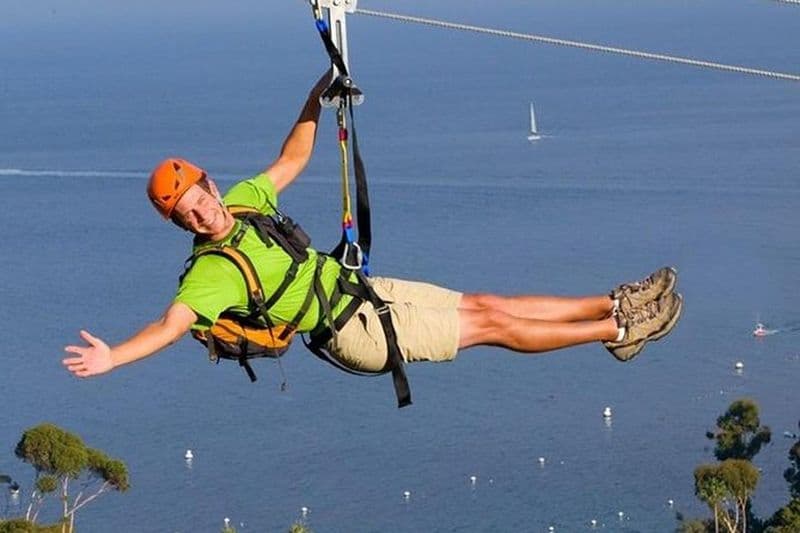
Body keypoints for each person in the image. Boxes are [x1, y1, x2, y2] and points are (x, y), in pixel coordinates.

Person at [62, 70, 683, 390]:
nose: (201, 215)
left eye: (199, 200)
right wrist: (114, 355)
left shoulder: (245, 199)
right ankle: (618, 331)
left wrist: (317, 96)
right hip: (353, 333)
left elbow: (292, 158)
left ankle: (613, 301)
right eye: (187, 217)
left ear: (210, 184)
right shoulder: (211, 273)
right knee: (491, 328)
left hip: (361, 289)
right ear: (181, 226)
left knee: (486, 303)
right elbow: (170, 326)